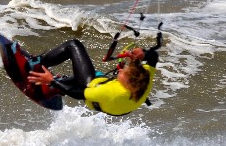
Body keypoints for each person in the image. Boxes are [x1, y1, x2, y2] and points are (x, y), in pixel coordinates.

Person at [27, 31, 162, 116]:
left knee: (74, 45)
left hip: (98, 96)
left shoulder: (110, 92)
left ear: (128, 83)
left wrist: (51, 80)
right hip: (119, 106)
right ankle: (59, 84)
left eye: (123, 73)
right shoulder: (144, 80)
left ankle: (38, 64)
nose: (120, 70)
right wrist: (143, 54)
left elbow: (79, 94)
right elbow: (154, 56)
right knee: (95, 75)